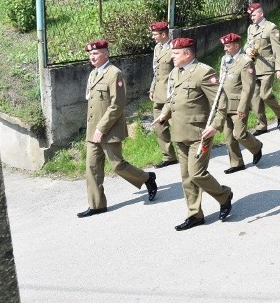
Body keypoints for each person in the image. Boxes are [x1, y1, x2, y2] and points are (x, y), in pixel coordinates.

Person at [153, 37, 233, 230]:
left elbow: (220, 101)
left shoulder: (203, 73)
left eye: (175, 53)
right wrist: (164, 114)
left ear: (187, 53)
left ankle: (224, 195)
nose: (172, 57)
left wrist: (216, 125)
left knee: (197, 173)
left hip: (200, 133)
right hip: (179, 132)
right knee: (186, 176)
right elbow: (171, 100)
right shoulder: (174, 74)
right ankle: (194, 214)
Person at [79, 39, 157, 218]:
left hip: (109, 128)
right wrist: (94, 129)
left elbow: (118, 104)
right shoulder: (93, 74)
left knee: (117, 165)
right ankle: (97, 205)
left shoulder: (114, 74)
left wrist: (101, 127)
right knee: (91, 167)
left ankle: (147, 178)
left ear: (106, 54)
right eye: (90, 54)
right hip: (93, 130)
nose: (92, 57)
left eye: (96, 53)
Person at [217, 32, 264, 174]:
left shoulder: (246, 62)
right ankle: (237, 163)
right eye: (224, 46)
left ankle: (256, 147)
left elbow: (248, 87)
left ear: (237, 45)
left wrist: (243, 107)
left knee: (240, 134)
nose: (225, 48)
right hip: (225, 105)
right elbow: (221, 82)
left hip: (238, 105)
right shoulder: (225, 59)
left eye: (228, 46)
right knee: (229, 137)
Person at [245, 3, 280, 135]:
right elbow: (247, 43)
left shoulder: (271, 28)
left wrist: (279, 68)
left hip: (267, 67)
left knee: (265, 94)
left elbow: (277, 50)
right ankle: (261, 125)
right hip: (253, 67)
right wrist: (247, 49)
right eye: (250, 15)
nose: (252, 17)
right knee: (255, 98)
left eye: (254, 14)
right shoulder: (251, 28)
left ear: (261, 13)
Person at [148, 21, 178, 168]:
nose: (153, 37)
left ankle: (189, 151)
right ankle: (169, 156)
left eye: (155, 34)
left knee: (177, 125)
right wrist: (152, 88)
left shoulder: (175, 49)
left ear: (163, 34)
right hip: (159, 94)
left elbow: (179, 72)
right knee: (159, 127)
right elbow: (156, 72)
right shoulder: (157, 48)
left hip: (171, 94)